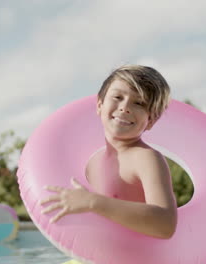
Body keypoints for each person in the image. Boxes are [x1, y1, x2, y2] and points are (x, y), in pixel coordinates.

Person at [40, 65, 177, 240]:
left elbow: (165, 224)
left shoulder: (145, 158)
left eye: (139, 103)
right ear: (99, 105)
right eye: (118, 97)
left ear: (151, 120)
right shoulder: (93, 161)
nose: (125, 107)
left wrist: (92, 202)